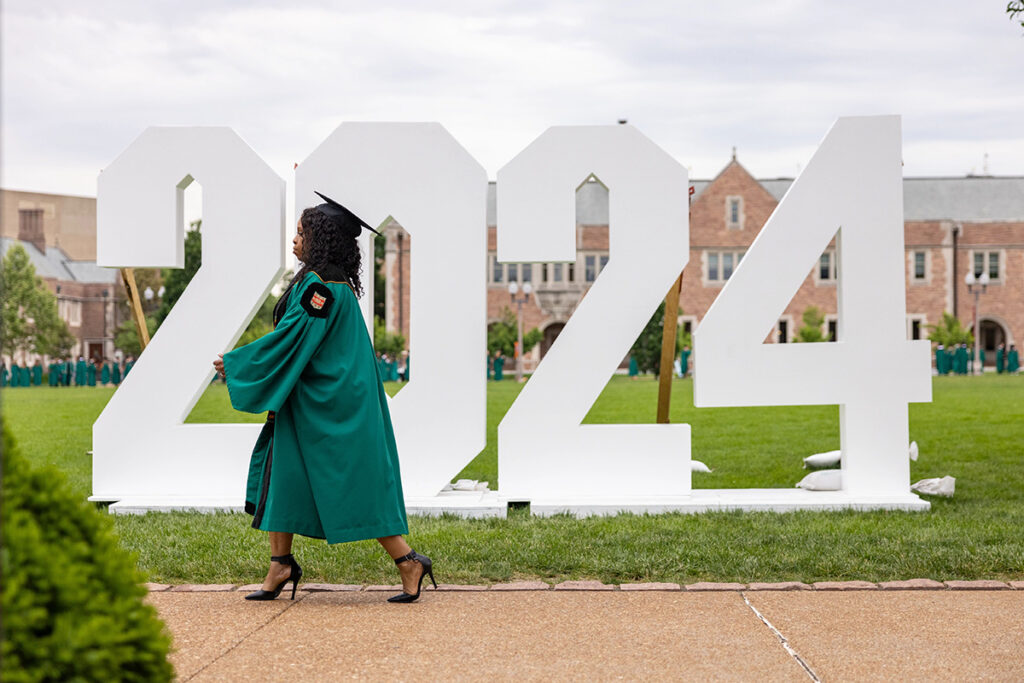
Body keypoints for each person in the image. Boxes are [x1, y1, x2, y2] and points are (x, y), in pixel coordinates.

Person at [213, 191, 433, 604]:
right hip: (316, 396)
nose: (294, 240)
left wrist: (238, 364)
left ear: (322, 238)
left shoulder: (323, 289)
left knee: (357, 481)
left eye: (301, 233)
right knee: (282, 474)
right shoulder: (327, 283)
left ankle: (409, 561)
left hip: (333, 402)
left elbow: (293, 338)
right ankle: (280, 563)